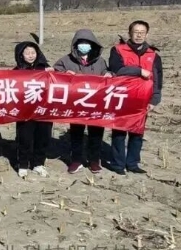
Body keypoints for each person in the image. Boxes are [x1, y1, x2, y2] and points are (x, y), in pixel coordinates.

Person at [108, 20, 163, 175]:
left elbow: (157, 78)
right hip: (122, 97)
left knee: (137, 132)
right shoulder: (118, 50)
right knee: (119, 132)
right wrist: (139, 71)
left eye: (142, 32)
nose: (139, 35)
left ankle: (132, 163)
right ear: (129, 33)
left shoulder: (153, 55)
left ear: (147, 34)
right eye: (136, 32)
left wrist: (155, 99)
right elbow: (117, 70)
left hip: (143, 99)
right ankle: (118, 164)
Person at [53, 30, 112, 175]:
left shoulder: (99, 61)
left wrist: (108, 74)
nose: (84, 45)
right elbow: (54, 74)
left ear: (92, 45)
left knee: (96, 133)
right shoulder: (66, 60)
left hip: (96, 103)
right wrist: (64, 74)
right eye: (81, 43)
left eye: (87, 43)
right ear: (75, 45)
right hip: (76, 104)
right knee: (76, 133)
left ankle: (94, 161)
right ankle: (76, 160)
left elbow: (107, 72)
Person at [13, 41, 53, 178]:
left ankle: (38, 163)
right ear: (21, 55)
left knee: (43, 137)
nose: (30, 55)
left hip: (43, 110)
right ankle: (23, 164)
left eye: (33, 52)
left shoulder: (45, 69)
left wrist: (53, 73)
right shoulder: (17, 71)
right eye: (27, 53)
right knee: (24, 138)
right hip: (25, 111)